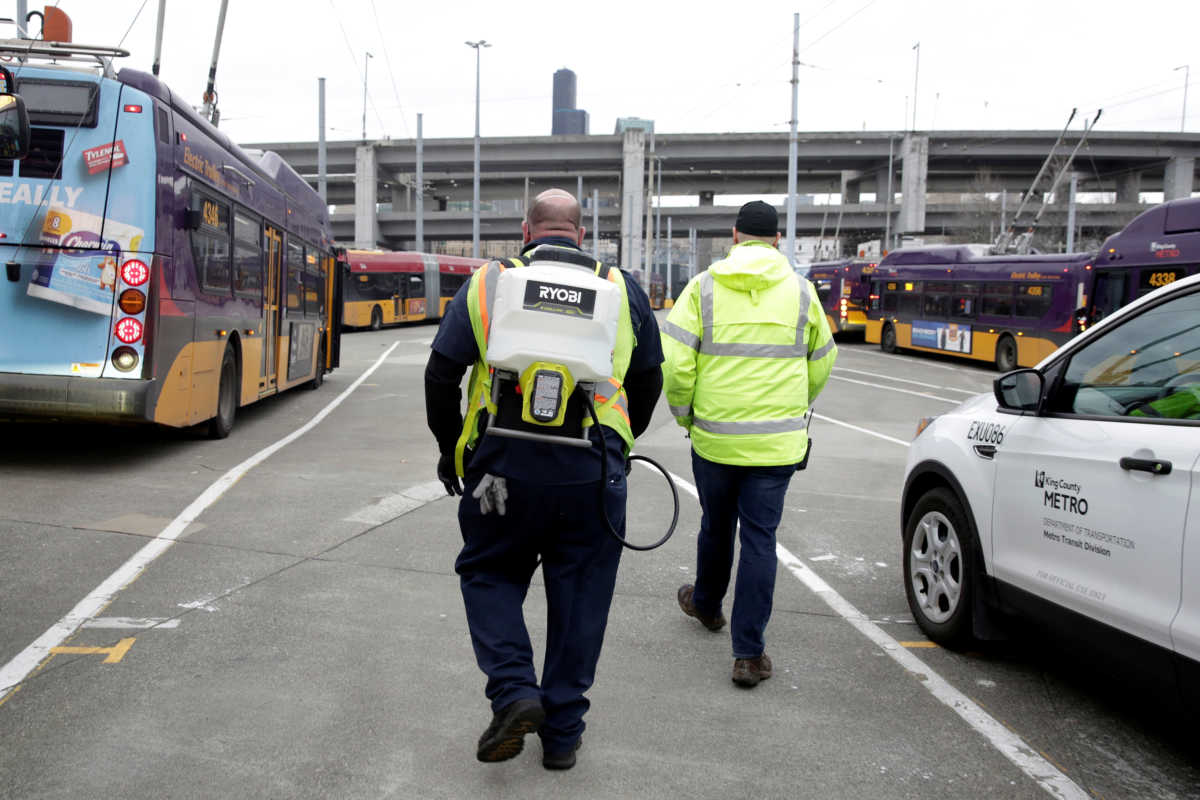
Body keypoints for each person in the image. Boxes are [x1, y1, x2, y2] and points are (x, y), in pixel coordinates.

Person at [424, 189, 663, 769]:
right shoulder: (621, 287)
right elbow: (650, 380)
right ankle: (561, 737)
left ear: (526, 230)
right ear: (581, 234)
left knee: (490, 573)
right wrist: (619, 445)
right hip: (591, 468)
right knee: (581, 595)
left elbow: (440, 375)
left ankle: (514, 693)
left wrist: (449, 448)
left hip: (504, 465)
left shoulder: (490, 283)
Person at [661, 200, 836, 688]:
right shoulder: (803, 293)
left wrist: (686, 415)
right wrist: (795, 404)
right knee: (760, 539)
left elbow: (675, 367)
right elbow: (822, 360)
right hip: (778, 445)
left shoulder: (703, 287)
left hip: (714, 438)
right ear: (777, 240)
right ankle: (748, 654)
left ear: (735, 236)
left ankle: (708, 605)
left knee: (716, 525)